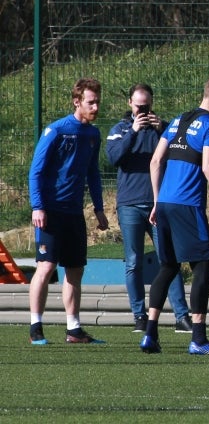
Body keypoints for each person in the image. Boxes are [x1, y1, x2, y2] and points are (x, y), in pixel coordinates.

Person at [139, 74, 209, 356]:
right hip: (187, 204)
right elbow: (208, 166)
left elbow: (155, 161)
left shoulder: (178, 120)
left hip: (164, 203)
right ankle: (198, 339)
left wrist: (156, 201)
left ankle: (150, 334)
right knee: (203, 266)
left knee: (168, 267)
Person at [28, 77, 110, 345]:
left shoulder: (93, 134)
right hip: (51, 211)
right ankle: (35, 327)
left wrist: (99, 208)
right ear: (77, 102)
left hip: (74, 213)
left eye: (97, 102)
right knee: (46, 266)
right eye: (91, 102)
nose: (96, 107)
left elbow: (92, 174)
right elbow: (36, 171)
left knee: (75, 269)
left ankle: (73, 329)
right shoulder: (57, 130)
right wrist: (38, 206)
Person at [106, 83, 192, 334]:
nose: (142, 110)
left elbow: (182, 152)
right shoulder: (120, 129)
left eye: (147, 106)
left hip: (159, 202)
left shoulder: (164, 129)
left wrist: (162, 129)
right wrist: (133, 131)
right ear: (130, 104)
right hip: (130, 204)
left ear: (152, 103)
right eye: (138, 106)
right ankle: (139, 316)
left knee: (169, 259)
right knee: (134, 262)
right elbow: (114, 158)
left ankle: (181, 316)